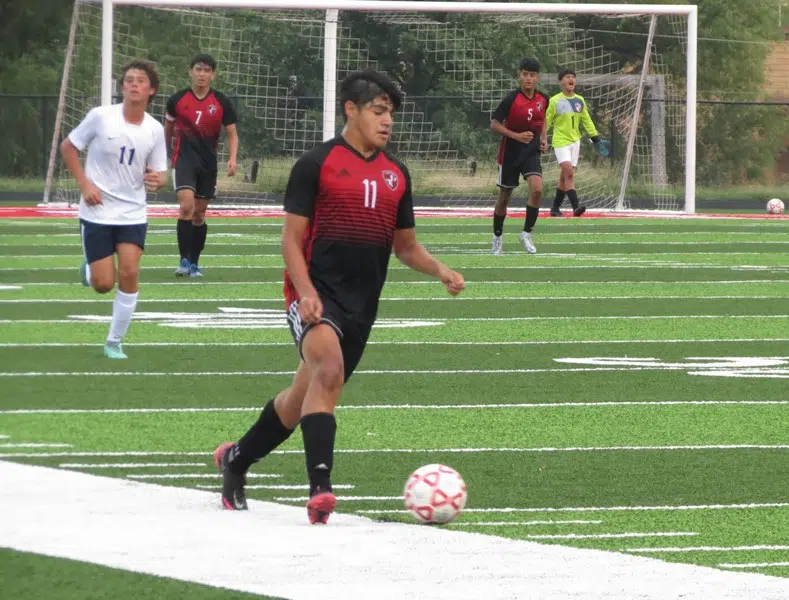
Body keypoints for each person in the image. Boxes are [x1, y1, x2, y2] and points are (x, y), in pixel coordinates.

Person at [213, 70, 465, 524]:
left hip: (361, 306)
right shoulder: (316, 164)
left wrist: (439, 269)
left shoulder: (396, 174)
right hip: (312, 296)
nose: (387, 122)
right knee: (328, 369)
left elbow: (404, 246)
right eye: (378, 111)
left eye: (391, 114)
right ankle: (320, 490)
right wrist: (305, 292)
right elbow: (291, 240)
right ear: (351, 110)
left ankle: (237, 458)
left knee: (301, 397)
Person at [60, 59, 168, 360]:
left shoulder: (155, 129)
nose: (133, 84)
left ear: (152, 90)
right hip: (97, 210)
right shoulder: (100, 117)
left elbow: (161, 172)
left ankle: (114, 341)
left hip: (133, 212)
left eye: (140, 80)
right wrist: (84, 185)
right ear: (122, 87)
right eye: (128, 80)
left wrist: (158, 180)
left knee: (130, 271)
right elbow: (68, 147)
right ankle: (92, 269)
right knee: (103, 284)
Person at [165, 53, 239, 278]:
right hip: (184, 160)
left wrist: (233, 158)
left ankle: (195, 262)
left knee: (199, 214)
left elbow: (232, 134)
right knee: (186, 206)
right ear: (190, 71)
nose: (202, 74)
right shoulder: (177, 100)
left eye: (206, 70)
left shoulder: (222, 102)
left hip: (208, 164)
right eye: (198, 69)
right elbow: (167, 129)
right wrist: (162, 155)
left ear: (213, 75)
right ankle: (183, 260)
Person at [489, 57, 549, 255]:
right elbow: (494, 124)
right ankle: (497, 237)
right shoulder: (511, 99)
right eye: (525, 74)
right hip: (510, 151)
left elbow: (542, 119)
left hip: (531, 151)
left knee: (538, 189)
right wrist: (516, 135)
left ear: (537, 77)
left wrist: (543, 138)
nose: (528, 79)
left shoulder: (543, 99)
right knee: (505, 197)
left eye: (532, 75)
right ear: (519, 76)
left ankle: (526, 233)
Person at [544, 68, 603, 217]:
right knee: (569, 173)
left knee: (565, 177)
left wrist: (595, 136)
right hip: (560, 141)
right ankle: (576, 207)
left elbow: (586, 120)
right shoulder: (555, 100)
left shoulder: (580, 100)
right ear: (561, 81)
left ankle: (555, 208)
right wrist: (542, 138)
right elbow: (546, 121)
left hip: (575, 142)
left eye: (573, 77)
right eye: (567, 77)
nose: (571, 79)